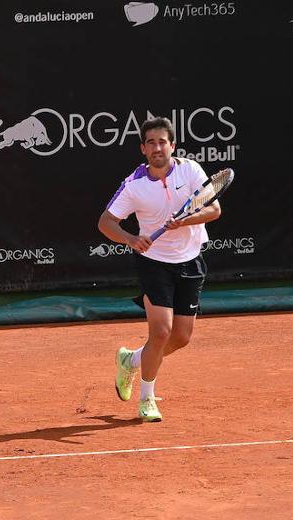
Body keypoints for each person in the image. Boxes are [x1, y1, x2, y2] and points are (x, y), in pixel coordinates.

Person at [97, 117, 222, 423]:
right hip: (154, 263)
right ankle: (146, 398)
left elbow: (214, 209)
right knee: (161, 331)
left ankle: (132, 359)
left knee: (180, 337)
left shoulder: (190, 170)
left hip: (190, 260)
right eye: (150, 142)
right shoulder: (134, 184)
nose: (157, 148)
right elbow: (105, 222)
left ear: (172, 145)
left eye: (162, 142)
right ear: (143, 149)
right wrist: (129, 238)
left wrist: (185, 220)